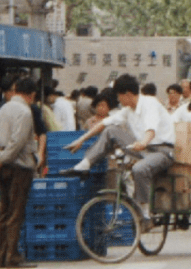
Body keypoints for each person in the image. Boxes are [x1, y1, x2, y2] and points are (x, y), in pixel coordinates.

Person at [67, 74, 175, 225]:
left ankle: (145, 213)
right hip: (142, 148)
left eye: (119, 96)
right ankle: (85, 163)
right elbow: (105, 123)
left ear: (128, 95)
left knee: (139, 169)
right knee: (111, 130)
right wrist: (81, 139)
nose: (118, 100)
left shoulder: (150, 104)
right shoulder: (128, 109)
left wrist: (143, 142)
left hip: (162, 151)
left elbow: (151, 130)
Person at [0, 76, 39, 269]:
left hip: (1, 166)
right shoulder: (24, 112)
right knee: (16, 212)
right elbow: (17, 143)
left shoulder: (2, 109)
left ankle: (2, 256)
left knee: (4, 211)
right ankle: (12, 256)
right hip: (18, 167)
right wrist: (1, 160)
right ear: (32, 95)